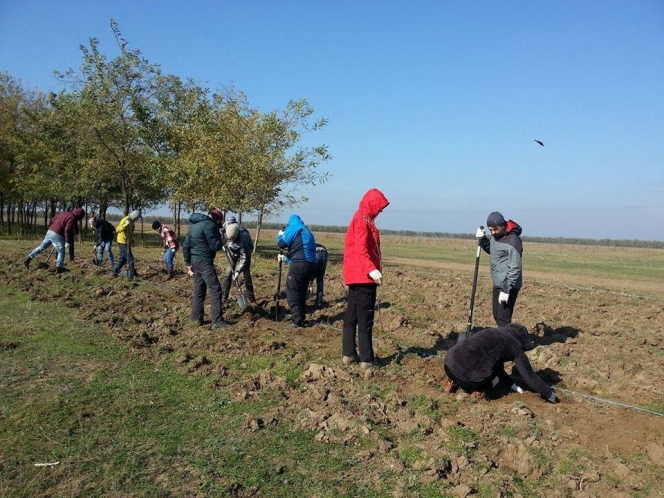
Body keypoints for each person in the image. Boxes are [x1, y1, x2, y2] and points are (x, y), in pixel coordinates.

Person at [443, 323, 558, 403]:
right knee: (494, 379)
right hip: (470, 379)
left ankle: (453, 380)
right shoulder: (515, 345)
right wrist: (550, 394)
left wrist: (512, 385)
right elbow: (530, 377)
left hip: (449, 364)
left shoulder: (493, 331)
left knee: (490, 362)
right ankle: (476, 390)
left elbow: (496, 365)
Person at [341, 188, 390, 369]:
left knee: (352, 314)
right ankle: (367, 360)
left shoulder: (363, 218)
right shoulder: (362, 219)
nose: (381, 210)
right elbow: (361, 248)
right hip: (363, 277)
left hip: (355, 275)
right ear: (373, 203)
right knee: (365, 317)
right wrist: (372, 270)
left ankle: (348, 354)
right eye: (380, 206)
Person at [182, 208, 228, 329]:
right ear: (217, 219)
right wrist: (222, 240)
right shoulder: (210, 226)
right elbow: (215, 246)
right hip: (205, 261)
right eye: (220, 221)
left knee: (199, 289)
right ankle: (217, 321)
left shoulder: (194, 225)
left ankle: (196, 318)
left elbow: (186, 244)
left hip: (195, 261)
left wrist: (188, 262)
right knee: (216, 289)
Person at [477, 211, 523, 327]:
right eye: (490, 230)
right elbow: (494, 252)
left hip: (509, 284)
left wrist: (507, 289)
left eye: (495, 229)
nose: (492, 232)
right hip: (498, 282)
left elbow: (515, 267)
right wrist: (483, 240)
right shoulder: (495, 236)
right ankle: (508, 339)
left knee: (503, 319)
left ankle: (508, 343)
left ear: (502, 225)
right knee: (497, 315)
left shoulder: (513, 240)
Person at [276, 214, 317, 328]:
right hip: (311, 265)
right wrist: (287, 259)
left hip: (299, 265)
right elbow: (302, 249)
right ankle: (300, 317)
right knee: (301, 291)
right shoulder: (307, 231)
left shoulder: (294, 228)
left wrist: (280, 235)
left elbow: (282, 244)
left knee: (292, 291)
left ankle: (296, 320)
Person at [24, 207, 86, 273]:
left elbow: (53, 220)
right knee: (61, 251)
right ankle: (59, 268)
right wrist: (67, 242)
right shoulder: (72, 218)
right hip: (57, 234)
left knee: (41, 247)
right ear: (79, 215)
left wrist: (50, 228)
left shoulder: (63, 212)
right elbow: (67, 230)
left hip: (50, 231)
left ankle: (28, 258)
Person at [221, 216, 256, 304]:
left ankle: (251, 298)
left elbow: (244, 258)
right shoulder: (227, 226)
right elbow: (222, 232)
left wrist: (237, 271)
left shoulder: (244, 238)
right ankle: (224, 297)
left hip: (245, 253)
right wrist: (223, 242)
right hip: (232, 252)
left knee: (246, 275)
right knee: (228, 273)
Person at [112, 209, 142, 278]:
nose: (136, 219)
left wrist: (132, 241)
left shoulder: (132, 222)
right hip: (122, 242)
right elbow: (117, 230)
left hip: (127, 242)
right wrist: (125, 225)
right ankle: (132, 274)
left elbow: (130, 233)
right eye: (136, 218)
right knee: (130, 258)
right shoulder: (125, 220)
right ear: (134, 216)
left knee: (123, 259)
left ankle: (114, 271)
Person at [309, 243, 328, 309]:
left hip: (315, 253)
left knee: (308, 276)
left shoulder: (306, 247)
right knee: (320, 279)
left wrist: (311, 279)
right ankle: (319, 303)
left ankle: (304, 298)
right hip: (324, 252)